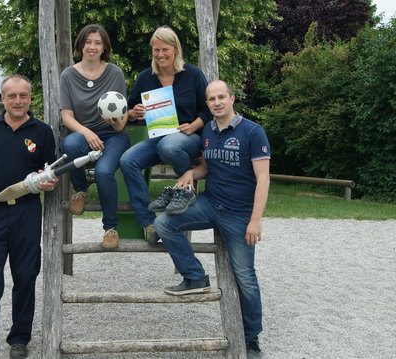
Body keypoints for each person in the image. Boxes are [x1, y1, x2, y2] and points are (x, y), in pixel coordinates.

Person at [153, 80, 270, 357]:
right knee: (163, 223)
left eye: (221, 97)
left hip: (239, 214)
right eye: (211, 99)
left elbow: (263, 178)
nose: (217, 103)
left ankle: (251, 337)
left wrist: (256, 219)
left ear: (232, 99)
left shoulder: (253, 132)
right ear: (207, 104)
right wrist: (192, 173)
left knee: (245, 277)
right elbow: (206, 166)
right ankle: (195, 277)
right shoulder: (207, 130)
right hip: (209, 203)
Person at [0, 74, 58, 359]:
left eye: (24, 96)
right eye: (12, 96)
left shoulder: (42, 132)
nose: (18, 101)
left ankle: (19, 340)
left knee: (26, 277)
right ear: (2, 98)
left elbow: (50, 174)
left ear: (30, 98)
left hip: (27, 213)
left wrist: (49, 182)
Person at [119, 25, 212, 244]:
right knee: (127, 160)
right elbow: (131, 111)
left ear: (175, 50)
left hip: (188, 138)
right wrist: (134, 112)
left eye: (165, 49)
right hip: (158, 138)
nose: (160, 54)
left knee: (170, 146)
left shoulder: (193, 74)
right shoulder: (145, 78)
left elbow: (208, 109)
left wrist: (194, 125)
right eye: (156, 50)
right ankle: (149, 222)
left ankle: (184, 192)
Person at [60, 24, 130, 249]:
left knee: (103, 171)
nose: (92, 46)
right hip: (83, 133)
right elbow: (67, 116)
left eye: (97, 42)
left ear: (104, 47)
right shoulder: (68, 75)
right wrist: (87, 132)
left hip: (113, 137)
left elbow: (123, 117)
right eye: (88, 42)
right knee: (69, 143)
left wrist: (118, 123)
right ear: (80, 45)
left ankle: (111, 228)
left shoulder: (115, 73)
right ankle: (80, 189)